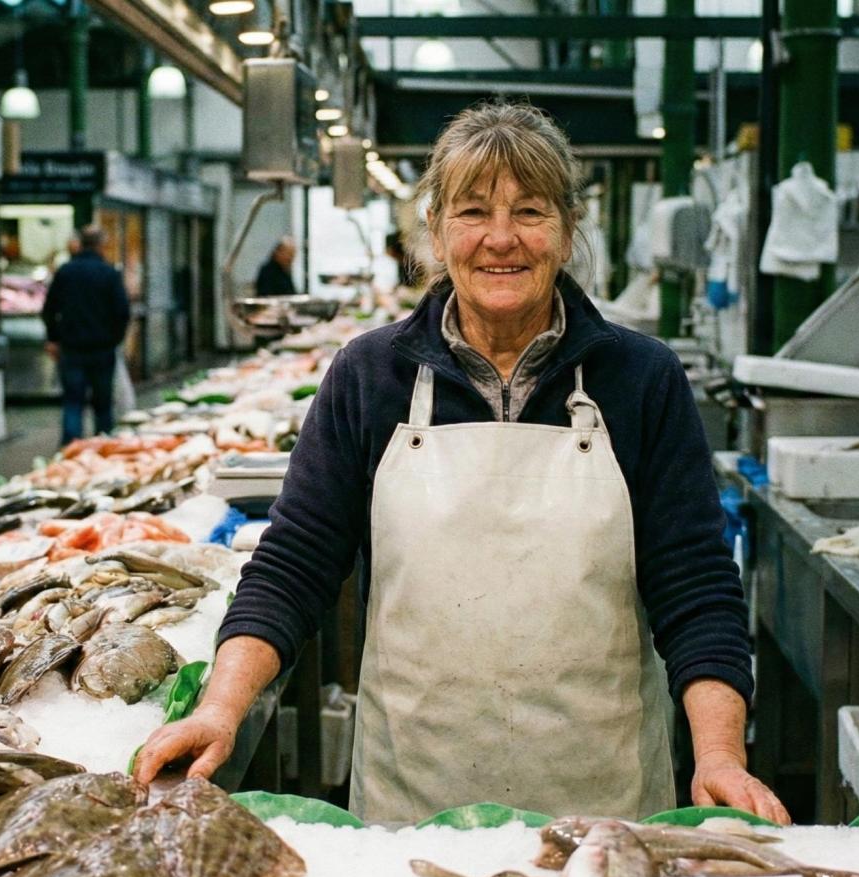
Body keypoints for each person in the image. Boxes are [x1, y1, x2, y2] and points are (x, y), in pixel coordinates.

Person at [135, 102, 788, 826]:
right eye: (474, 211)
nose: (501, 239)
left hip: (602, 802)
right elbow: (294, 564)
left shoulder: (641, 378)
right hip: (414, 801)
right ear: (438, 230)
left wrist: (719, 755)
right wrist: (220, 708)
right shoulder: (368, 376)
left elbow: (694, 584)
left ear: (568, 229)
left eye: (530, 212)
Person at [42, 225, 131, 445]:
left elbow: (49, 309)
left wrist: (53, 338)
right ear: (101, 245)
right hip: (102, 350)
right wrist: (114, 339)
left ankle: (71, 451)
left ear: (80, 244)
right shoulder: (109, 274)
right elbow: (122, 312)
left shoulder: (65, 272)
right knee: (103, 405)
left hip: (71, 349)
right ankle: (103, 448)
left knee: (73, 403)